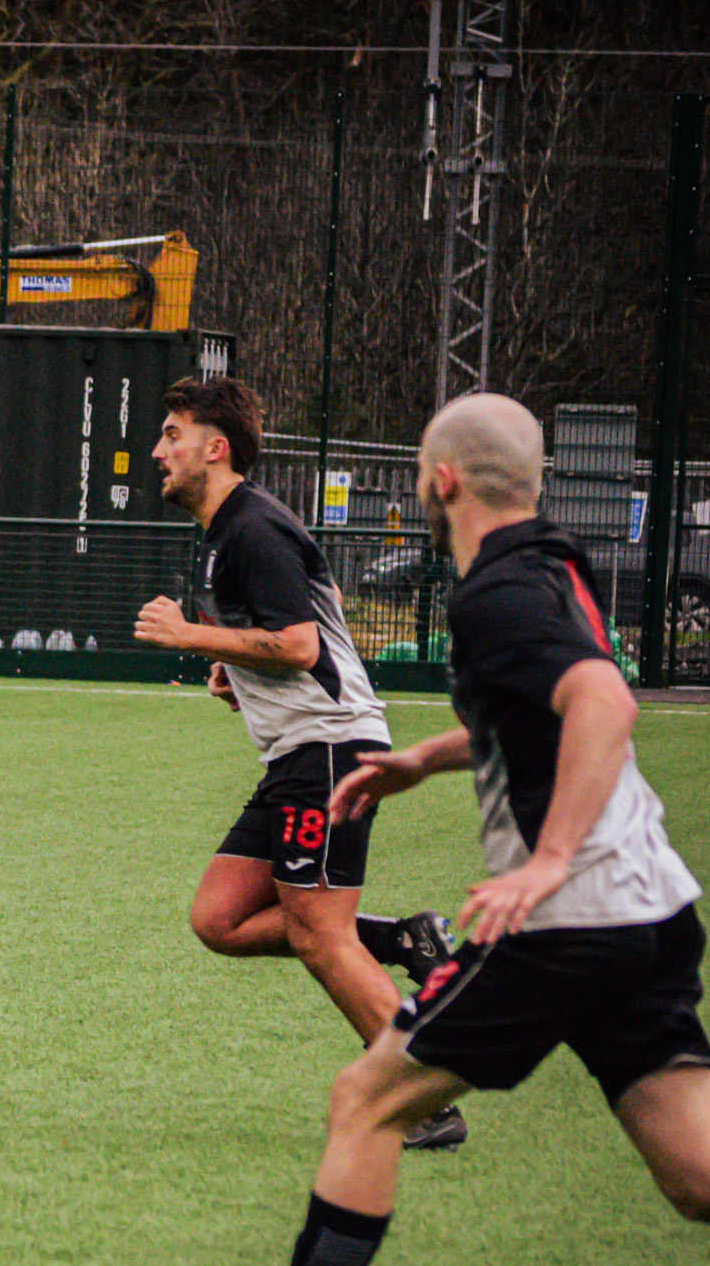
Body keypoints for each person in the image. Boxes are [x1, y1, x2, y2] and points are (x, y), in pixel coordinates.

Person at [155, 393, 710, 1266]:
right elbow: (541, 701)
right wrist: (426, 758)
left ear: (441, 482)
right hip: (650, 908)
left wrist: (549, 862)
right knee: (707, 1177)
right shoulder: (554, 560)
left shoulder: (492, 591)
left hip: (566, 920)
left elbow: (604, 704)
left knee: (367, 1101)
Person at [133, 376, 466, 1151]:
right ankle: (404, 941)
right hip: (298, 753)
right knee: (218, 917)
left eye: (173, 433)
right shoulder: (226, 535)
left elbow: (302, 645)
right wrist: (236, 675)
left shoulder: (252, 528)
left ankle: (425, 1099)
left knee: (320, 935)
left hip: (330, 752)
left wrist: (194, 637)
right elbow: (287, 644)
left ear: (216, 449)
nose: (158, 450)